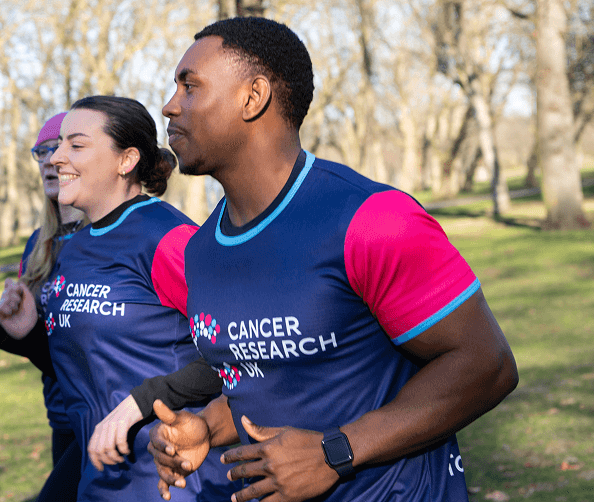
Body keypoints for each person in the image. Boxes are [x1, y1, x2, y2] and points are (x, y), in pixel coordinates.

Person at [103, 17, 518, 502]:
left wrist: (335, 451)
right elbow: (262, 377)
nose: (170, 104)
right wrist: (206, 431)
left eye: (189, 86)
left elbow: (486, 364)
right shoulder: (202, 250)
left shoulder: (371, 220)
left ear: (253, 97)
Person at [0, 95, 234, 501]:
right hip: (102, 476)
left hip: (175, 477)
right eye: (58, 145)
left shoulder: (167, 238)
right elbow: (84, 367)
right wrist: (26, 332)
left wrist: (140, 403)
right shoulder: (74, 248)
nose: (56, 159)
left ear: (126, 161)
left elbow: (238, 353)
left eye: (76, 145)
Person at [0, 111, 85, 501]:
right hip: (60, 410)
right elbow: (46, 349)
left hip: (108, 410)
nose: (52, 160)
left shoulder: (108, 237)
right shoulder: (37, 244)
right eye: (42, 151)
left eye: (64, 147)